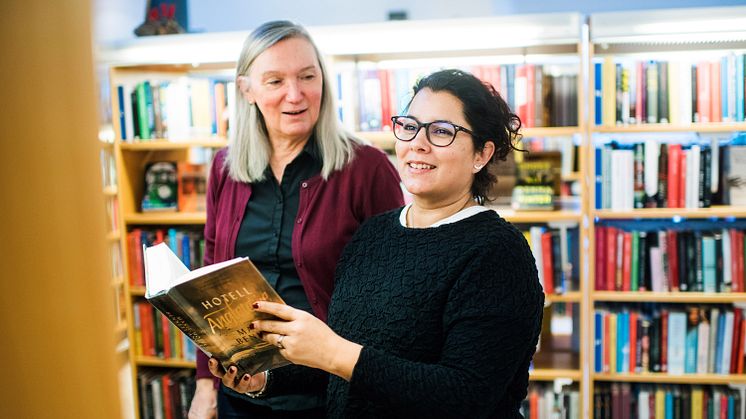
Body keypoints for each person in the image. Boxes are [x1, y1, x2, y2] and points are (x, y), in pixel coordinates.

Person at [250, 69, 545, 418]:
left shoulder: (496, 252)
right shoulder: (373, 234)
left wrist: (332, 351)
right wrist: (265, 379)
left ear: (481, 154)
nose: (418, 143)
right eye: (410, 126)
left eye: (441, 132)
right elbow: (349, 365)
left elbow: (465, 396)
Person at [188, 21, 404, 419]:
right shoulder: (224, 168)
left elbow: (397, 295)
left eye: (308, 76)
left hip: (334, 396)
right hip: (244, 393)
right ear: (246, 90)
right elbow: (209, 277)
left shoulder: (366, 168)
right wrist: (205, 384)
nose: (296, 94)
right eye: (275, 81)